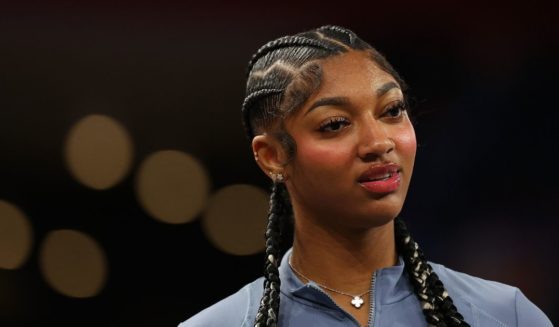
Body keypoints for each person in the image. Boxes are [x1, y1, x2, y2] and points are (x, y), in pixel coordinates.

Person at [178, 25, 552, 327]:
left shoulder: (507, 316)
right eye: (336, 124)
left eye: (391, 111)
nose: (378, 142)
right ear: (273, 157)